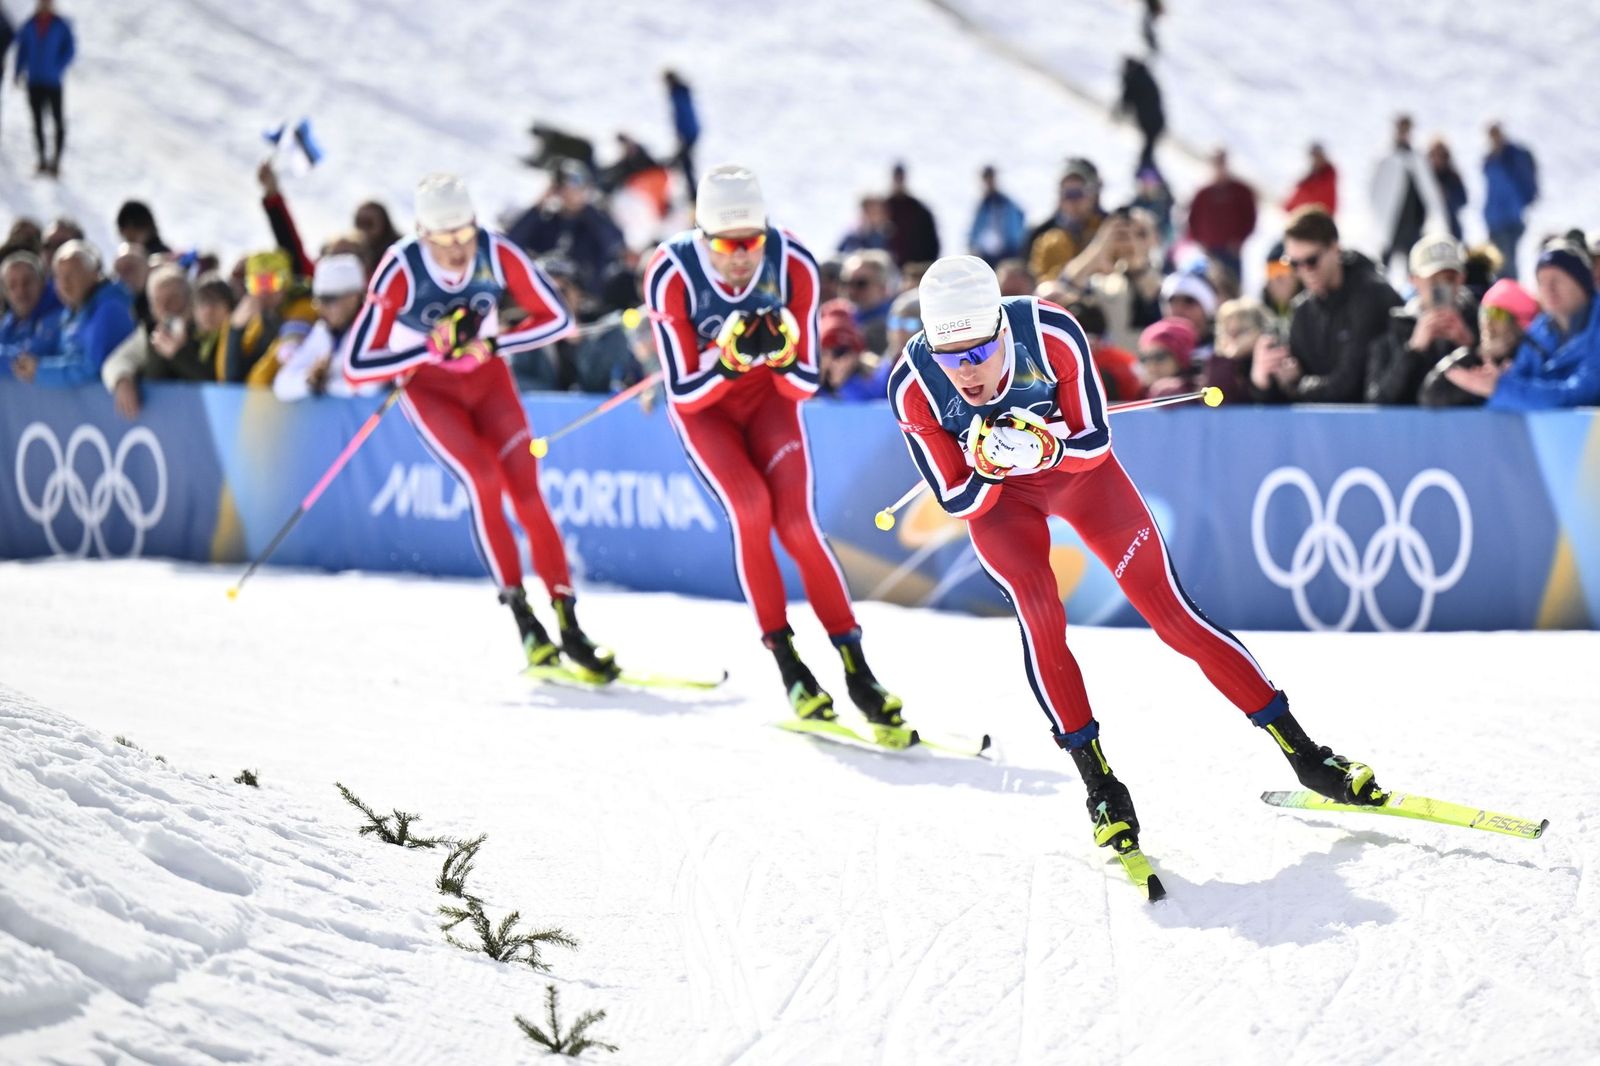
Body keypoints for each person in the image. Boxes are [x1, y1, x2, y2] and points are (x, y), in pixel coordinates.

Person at [888, 255, 1380, 860]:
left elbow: (1094, 444)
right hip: (1002, 502)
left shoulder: (1050, 333)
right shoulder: (914, 385)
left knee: (1172, 614)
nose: (964, 372)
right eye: (948, 356)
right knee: (1042, 615)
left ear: (1000, 330)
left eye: (976, 353)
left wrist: (1042, 448)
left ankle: (1305, 754)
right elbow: (957, 495)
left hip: (1076, 476)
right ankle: (1101, 787)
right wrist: (990, 463)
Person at [643, 164, 906, 736]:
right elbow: (684, 388)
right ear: (701, 233)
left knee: (798, 526)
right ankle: (789, 665)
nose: (741, 257)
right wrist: (733, 359)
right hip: (708, 415)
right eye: (727, 245)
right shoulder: (671, 272)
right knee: (751, 511)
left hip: (770, 406)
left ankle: (857, 669)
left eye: (751, 242)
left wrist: (781, 357)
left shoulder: (791, 260)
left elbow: (806, 383)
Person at [343, 173, 617, 676]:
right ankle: (525, 621)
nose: (457, 250)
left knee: (529, 496)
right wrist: (428, 347)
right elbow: (358, 363)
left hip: (489, 381)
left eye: (465, 235)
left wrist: (492, 344)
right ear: (423, 235)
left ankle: (570, 625)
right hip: (429, 390)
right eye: (444, 240)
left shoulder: (496, 250)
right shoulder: (401, 267)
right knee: (484, 481)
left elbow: (556, 318)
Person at [1250, 207, 1400, 403]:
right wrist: (1263, 380)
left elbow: (1350, 385)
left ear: (1335, 248)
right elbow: (1286, 390)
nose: (1304, 271)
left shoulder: (1373, 295)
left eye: (1311, 260)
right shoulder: (1301, 310)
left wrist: (1297, 384)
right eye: (1294, 264)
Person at [1477, 240, 1600, 410]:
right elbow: (1504, 398)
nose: (1549, 289)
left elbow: (1580, 395)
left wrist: (1500, 387)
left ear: (1582, 283)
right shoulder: (1539, 332)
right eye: (1541, 282)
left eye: (1557, 280)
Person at [1366, 234, 1477, 405]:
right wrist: (1413, 350)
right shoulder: (1393, 326)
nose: (1442, 287)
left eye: (1449, 278)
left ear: (1462, 278)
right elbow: (1378, 398)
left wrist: (1470, 347)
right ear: (1413, 280)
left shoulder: (1479, 319)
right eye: (1433, 279)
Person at [11, 241, 133, 387]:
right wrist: (33, 366)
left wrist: (40, 370)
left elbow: (93, 370)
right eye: (59, 277)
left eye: (72, 274)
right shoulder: (70, 312)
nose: (65, 283)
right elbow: (60, 355)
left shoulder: (110, 309)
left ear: (94, 274)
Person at [272, 254, 375, 402]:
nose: (321, 308)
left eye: (328, 300)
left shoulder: (375, 327)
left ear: (353, 298)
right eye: (318, 301)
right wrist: (310, 380)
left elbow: (372, 386)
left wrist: (326, 382)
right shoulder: (323, 331)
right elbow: (281, 385)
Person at [1421, 278, 1536, 407]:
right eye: (1484, 312)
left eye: (1497, 313)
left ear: (1520, 323)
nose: (1487, 322)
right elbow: (1430, 396)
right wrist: (1476, 355)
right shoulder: (1473, 356)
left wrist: (1502, 383)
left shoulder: (1536, 360)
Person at [1371, 115, 1446, 280]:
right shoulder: (1386, 159)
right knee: (1384, 266)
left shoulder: (1417, 159)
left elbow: (1428, 191)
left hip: (1413, 223)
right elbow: (1377, 191)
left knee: (1413, 267)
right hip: (1392, 222)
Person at [13, 0, 73, 176]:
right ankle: (41, 160)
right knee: (37, 121)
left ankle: (56, 161)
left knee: (57, 121)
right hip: (34, 81)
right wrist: (17, 71)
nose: (45, 6)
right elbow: (22, 50)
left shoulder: (60, 25)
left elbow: (70, 49)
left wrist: (58, 67)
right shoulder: (29, 24)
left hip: (53, 82)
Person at [1027, 158, 1104, 281]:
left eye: (1078, 193)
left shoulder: (1108, 229)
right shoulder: (1044, 237)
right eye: (1067, 194)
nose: (1072, 202)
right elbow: (1039, 281)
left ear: (1093, 195)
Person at [1185, 149, 1256, 279]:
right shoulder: (1203, 193)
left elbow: (1250, 218)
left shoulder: (1241, 191)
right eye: (1215, 163)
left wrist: (1239, 240)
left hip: (1231, 252)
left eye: (1221, 162)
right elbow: (1191, 219)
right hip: (1209, 252)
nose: (1219, 167)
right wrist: (1200, 241)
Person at [1482, 124, 1539, 280]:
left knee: (1508, 261)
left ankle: (1511, 296)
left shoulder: (1513, 156)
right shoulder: (1490, 159)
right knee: (1498, 261)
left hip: (1510, 218)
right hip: (1494, 219)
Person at [0, 250, 62, 379]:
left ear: (42, 282)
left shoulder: (60, 315)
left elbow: (29, 357)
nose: (20, 291)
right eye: (12, 285)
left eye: (27, 282)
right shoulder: (11, 320)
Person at [967, 165, 1026, 265]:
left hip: (1008, 252)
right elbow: (976, 228)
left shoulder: (1006, 203)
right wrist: (972, 246)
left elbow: (1019, 218)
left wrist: (1017, 243)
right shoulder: (983, 205)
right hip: (987, 255)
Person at [884, 162, 939, 267]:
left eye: (900, 177)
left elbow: (931, 241)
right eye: (897, 177)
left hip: (914, 267)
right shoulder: (883, 207)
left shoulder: (918, 209)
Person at [1117, 57, 1164, 173]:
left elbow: (1127, 98)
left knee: (1148, 148)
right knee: (1148, 147)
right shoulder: (1145, 76)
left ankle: (1145, 171)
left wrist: (1120, 112)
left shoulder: (1135, 79)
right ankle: (1145, 168)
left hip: (1150, 121)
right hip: (1155, 121)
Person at [1135, 316, 1198, 398]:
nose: (1151, 366)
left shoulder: (1199, 392)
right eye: (1144, 358)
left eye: (1159, 356)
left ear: (1181, 357)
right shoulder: (1138, 392)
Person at [663, 70, 700, 194]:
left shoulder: (678, 93)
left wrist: (682, 136)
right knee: (684, 163)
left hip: (687, 134)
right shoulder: (681, 92)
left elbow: (682, 116)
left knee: (685, 163)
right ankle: (690, 192)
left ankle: (693, 193)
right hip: (689, 133)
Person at [1427, 137, 1468, 242]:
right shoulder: (1426, 177)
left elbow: (1463, 200)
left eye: (1441, 155)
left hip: (1451, 228)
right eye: (1435, 155)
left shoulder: (1453, 176)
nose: (1438, 159)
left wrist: (1447, 196)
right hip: (1429, 230)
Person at [1283, 143, 1337, 216]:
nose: (1316, 160)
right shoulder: (1311, 178)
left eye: (1318, 156)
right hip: (1311, 216)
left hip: (1323, 217)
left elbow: (1317, 196)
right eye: (1314, 157)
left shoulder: (1328, 175)